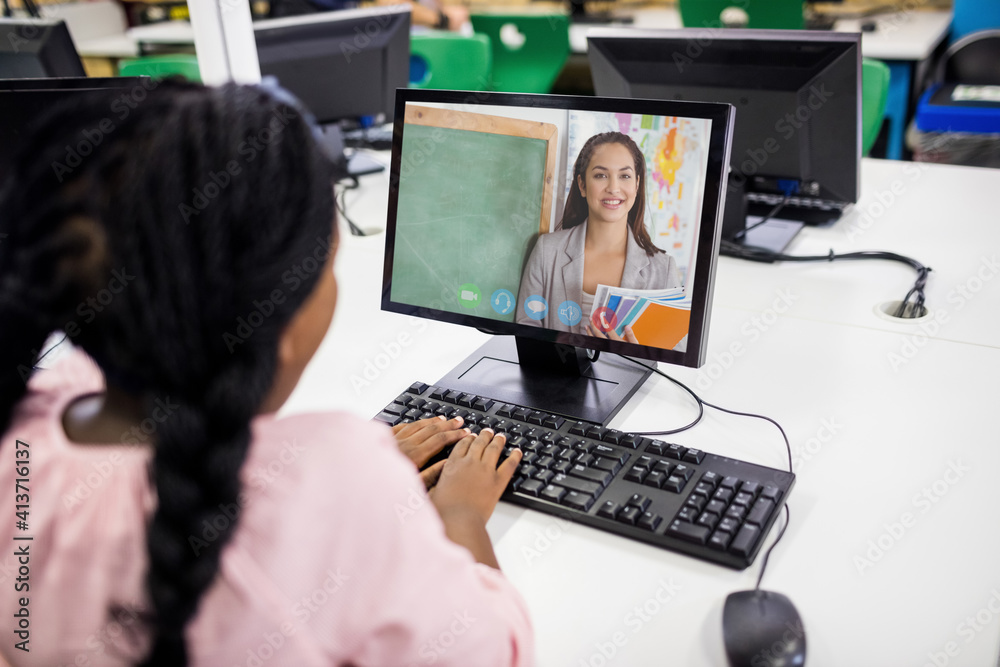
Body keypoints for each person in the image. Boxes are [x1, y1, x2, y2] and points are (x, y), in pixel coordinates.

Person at [0, 81, 530, 665]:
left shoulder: (31, 424)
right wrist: (455, 512)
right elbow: (493, 652)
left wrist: (323, 487)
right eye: (328, 266)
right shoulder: (345, 478)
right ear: (274, 320)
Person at [516, 131, 682, 341]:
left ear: (637, 185)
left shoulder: (663, 271)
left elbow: (669, 353)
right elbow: (525, 331)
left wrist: (633, 355)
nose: (613, 188)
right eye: (601, 175)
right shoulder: (547, 250)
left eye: (625, 176)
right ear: (582, 185)